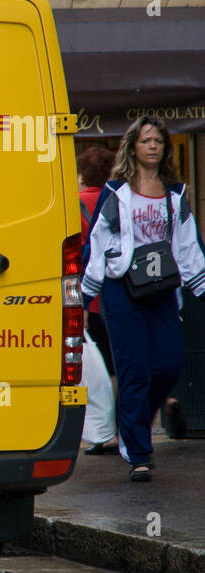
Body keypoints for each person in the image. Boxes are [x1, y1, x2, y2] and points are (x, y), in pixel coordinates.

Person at [80, 116, 205, 482]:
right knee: (134, 369)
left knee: (168, 365)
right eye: (145, 140)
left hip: (162, 288)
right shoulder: (116, 192)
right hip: (122, 290)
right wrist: (86, 296)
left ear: (165, 148)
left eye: (158, 141)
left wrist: (200, 286)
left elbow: (186, 245)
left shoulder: (175, 192)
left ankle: (131, 422)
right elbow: (98, 244)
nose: (152, 146)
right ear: (132, 146)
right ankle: (137, 452)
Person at [77, 145, 119, 455]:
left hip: (91, 297)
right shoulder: (117, 199)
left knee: (100, 365)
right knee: (120, 365)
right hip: (120, 293)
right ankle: (126, 429)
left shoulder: (78, 204)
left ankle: (106, 431)